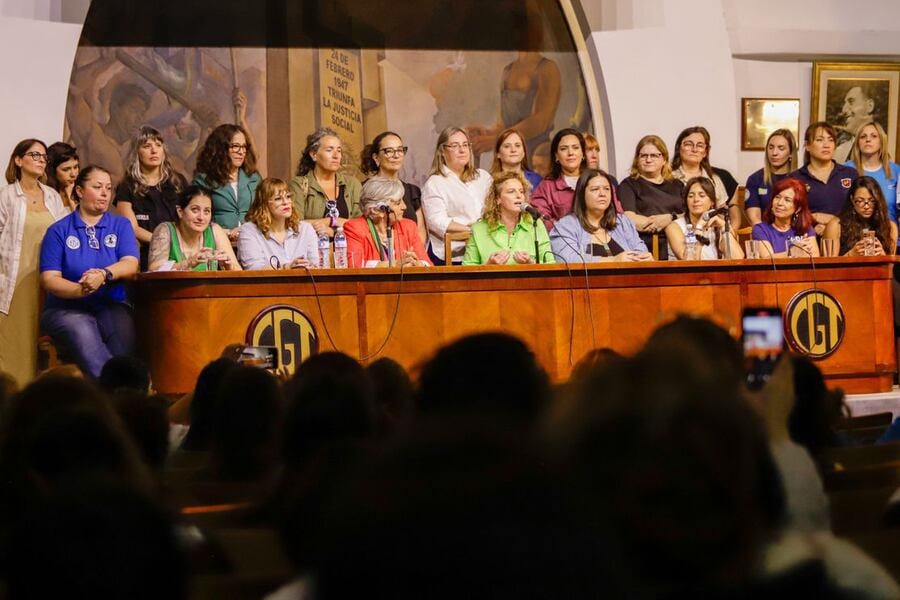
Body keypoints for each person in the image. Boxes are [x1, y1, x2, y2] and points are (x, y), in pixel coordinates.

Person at [38, 165, 139, 379]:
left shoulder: (120, 225)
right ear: (80, 191)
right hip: (66, 309)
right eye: (97, 187)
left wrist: (103, 274)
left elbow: (130, 263)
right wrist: (82, 289)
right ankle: (113, 394)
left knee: (124, 337)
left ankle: (121, 392)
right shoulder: (59, 230)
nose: (105, 193)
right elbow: (49, 279)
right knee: (82, 330)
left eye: (108, 188)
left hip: (110, 304)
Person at [0, 139, 69, 387]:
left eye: (44, 157)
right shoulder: (7, 196)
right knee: (15, 344)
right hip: (15, 280)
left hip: (48, 278)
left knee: (41, 342)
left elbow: (65, 233)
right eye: (35, 154)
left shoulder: (52, 196)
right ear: (18, 160)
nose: (41, 160)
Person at [114, 126, 188, 271]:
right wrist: (163, 242)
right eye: (147, 146)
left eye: (158, 145)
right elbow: (132, 228)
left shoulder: (178, 182)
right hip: (145, 252)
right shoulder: (127, 186)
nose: (154, 151)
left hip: (180, 249)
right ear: (136, 152)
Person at [421, 126, 492, 265]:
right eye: (455, 145)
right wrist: (473, 230)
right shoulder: (435, 182)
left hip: (486, 250)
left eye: (465, 145)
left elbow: (496, 208)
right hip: (453, 255)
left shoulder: (483, 177)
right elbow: (436, 221)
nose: (462, 150)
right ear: (442, 151)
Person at [550, 169, 651, 263]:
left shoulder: (622, 222)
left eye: (607, 189)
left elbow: (640, 250)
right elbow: (568, 259)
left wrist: (645, 257)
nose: (602, 194)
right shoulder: (566, 226)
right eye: (595, 189)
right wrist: (613, 261)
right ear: (581, 194)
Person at [462, 171, 553, 265]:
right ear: (498, 199)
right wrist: (489, 265)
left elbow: (551, 264)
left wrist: (531, 263)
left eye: (521, 191)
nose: (519, 196)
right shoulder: (479, 229)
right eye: (511, 191)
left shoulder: (535, 224)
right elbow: (466, 271)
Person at [618, 134, 684, 259]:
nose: (648, 160)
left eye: (654, 155)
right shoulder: (629, 185)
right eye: (643, 155)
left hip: (681, 242)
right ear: (637, 159)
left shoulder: (677, 185)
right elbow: (629, 219)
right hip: (646, 247)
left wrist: (669, 218)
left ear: (664, 159)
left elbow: (689, 215)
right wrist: (658, 223)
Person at [289, 128, 362, 240]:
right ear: (314, 155)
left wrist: (332, 222)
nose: (336, 156)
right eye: (329, 150)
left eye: (339, 150)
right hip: (313, 253)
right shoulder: (298, 184)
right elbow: (294, 224)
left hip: (347, 251)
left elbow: (361, 225)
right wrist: (340, 223)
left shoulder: (352, 184)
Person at [193, 123, 261, 241]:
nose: (241, 152)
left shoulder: (254, 177)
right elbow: (195, 218)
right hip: (218, 242)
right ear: (221, 148)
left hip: (253, 240)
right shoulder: (204, 180)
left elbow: (263, 211)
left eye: (244, 147)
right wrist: (227, 232)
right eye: (235, 146)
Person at [147, 185, 240, 272]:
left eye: (207, 211)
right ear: (180, 211)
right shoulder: (165, 230)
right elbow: (154, 270)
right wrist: (189, 263)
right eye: (195, 210)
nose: (201, 217)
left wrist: (229, 267)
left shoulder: (215, 230)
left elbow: (238, 272)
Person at [344, 177, 431, 268]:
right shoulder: (355, 228)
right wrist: (394, 264)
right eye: (398, 203)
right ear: (376, 210)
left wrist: (418, 264)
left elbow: (428, 264)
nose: (404, 207)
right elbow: (354, 265)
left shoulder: (408, 227)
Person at [791, 122, 858, 235]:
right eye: (820, 140)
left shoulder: (850, 174)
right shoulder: (795, 178)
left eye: (831, 140)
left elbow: (859, 211)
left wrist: (832, 222)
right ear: (807, 145)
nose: (826, 145)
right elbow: (789, 214)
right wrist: (812, 222)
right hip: (808, 240)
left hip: (846, 237)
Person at [360, 131, 426, 245]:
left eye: (400, 150)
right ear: (376, 157)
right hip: (378, 255)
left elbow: (420, 232)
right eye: (389, 151)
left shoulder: (412, 191)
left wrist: (412, 256)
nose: (396, 155)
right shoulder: (365, 190)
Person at [238, 177, 318, 270]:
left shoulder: (305, 229)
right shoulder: (249, 231)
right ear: (264, 204)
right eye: (278, 198)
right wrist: (287, 267)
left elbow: (315, 265)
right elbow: (254, 269)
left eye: (288, 197)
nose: (286, 202)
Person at [531, 128, 601, 231]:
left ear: (582, 153)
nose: (570, 153)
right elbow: (541, 219)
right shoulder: (547, 186)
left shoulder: (599, 180)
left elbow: (616, 215)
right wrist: (566, 231)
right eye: (564, 149)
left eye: (575, 148)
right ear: (556, 156)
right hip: (563, 241)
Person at [846, 122, 899, 251]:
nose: (868, 139)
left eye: (873, 136)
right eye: (863, 136)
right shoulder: (846, 170)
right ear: (857, 142)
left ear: (882, 140)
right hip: (854, 239)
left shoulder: (896, 171)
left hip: (890, 239)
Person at [666, 176, 744, 260]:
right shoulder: (673, 227)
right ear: (686, 201)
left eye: (702, 196)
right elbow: (690, 261)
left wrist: (723, 226)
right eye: (691, 196)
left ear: (712, 202)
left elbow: (737, 259)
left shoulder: (719, 223)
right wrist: (699, 227)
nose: (696, 199)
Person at [670, 126, 736, 222]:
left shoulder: (714, 179)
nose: (694, 149)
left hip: (708, 231)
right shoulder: (668, 176)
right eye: (689, 144)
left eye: (700, 145)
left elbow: (722, 213)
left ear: (705, 152)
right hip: (674, 230)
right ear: (679, 148)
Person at [822, 176, 896, 256]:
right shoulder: (836, 226)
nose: (867, 206)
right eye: (860, 201)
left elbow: (890, 266)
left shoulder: (890, 227)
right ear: (852, 200)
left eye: (872, 201)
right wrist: (850, 255)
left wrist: (882, 256)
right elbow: (828, 266)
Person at [751, 177, 819, 258]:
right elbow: (766, 259)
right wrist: (791, 252)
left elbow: (815, 257)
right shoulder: (761, 229)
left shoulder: (805, 229)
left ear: (798, 209)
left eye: (787, 200)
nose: (779, 203)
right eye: (777, 197)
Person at [745, 129, 798, 225]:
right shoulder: (755, 179)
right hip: (763, 234)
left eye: (781, 148)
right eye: (771, 147)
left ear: (790, 153)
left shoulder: (799, 179)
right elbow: (754, 218)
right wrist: (767, 236)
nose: (774, 153)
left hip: (794, 234)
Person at [490, 128, 543, 192]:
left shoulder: (537, 180)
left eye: (517, 146)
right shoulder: (489, 182)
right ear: (498, 154)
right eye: (507, 146)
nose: (513, 150)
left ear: (523, 153)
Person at [835, 83, 877, 163]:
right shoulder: (838, 152)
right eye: (844, 104)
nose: (843, 110)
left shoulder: (884, 147)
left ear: (870, 106)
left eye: (851, 102)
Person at [45, 142, 79, 211]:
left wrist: (70, 198)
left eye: (75, 167)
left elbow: (82, 221)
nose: (73, 174)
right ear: (52, 171)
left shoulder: (84, 193)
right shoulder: (45, 195)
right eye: (66, 169)